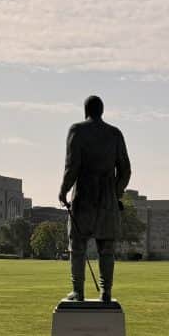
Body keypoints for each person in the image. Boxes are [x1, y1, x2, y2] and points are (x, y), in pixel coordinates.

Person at [59, 95, 131, 302]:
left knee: (77, 246)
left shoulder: (77, 130)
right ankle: (105, 292)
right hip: (107, 199)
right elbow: (125, 171)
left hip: (84, 197)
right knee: (107, 249)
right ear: (102, 111)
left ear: (85, 111)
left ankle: (78, 291)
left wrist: (63, 190)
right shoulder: (115, 134)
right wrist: (115, 193)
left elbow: (71, 167)